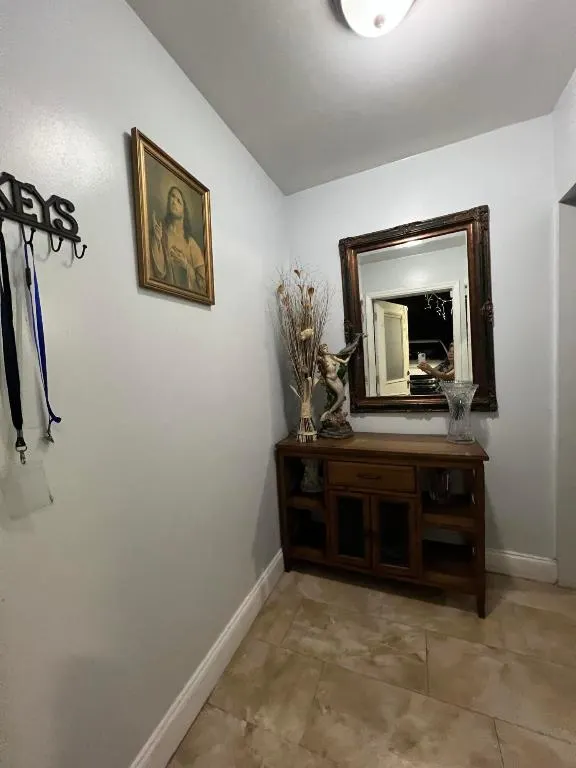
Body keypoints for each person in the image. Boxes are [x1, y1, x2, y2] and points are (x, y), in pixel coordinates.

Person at [150, 185, 206, 293]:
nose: (174, 201)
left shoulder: (191, 243)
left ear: (184, 210)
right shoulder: (161, 233)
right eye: (171, 197)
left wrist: (186, 265)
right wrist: (157, 241)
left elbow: (203, 285)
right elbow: (160, 273)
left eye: (178, 200)